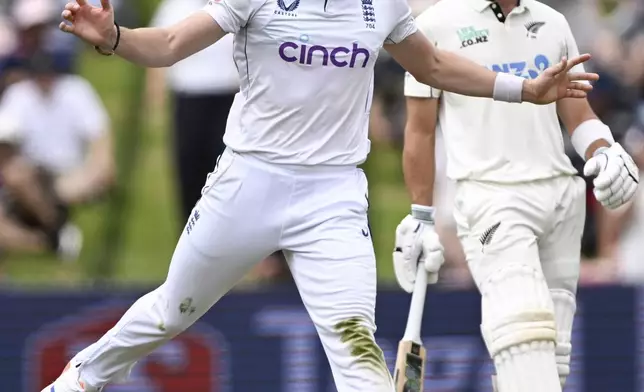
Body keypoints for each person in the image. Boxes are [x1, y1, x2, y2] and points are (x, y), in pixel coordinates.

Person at [44, 0, 596, 390]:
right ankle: (82, 377)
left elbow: (431, 65)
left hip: (332, 195)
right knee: (172, 311)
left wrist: (522, 89)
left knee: (355, 342)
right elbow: (168, 45)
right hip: (248, 181)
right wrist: (114, 38)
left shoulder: (380, 6)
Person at [394, 0, 639, 391]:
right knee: (522, 339)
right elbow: (420, 130)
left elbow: (578, 114)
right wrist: (421, 215)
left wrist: (604, 150)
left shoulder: (553, 22)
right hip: (491, 198)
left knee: (550, 364)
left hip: (561, 200)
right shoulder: (436, 24)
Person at [0, 49, 114, 260]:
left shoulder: (76, 91)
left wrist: (102, 170)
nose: (45, 80)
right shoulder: (19, 95)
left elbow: (100, 136)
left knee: (24, 179)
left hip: (69, 172)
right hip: (34, 174)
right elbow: (6, 140)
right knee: (17, 177)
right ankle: (53, 236)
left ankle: (53, 234)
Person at [147, 0, 239, 224]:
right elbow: (159, 48)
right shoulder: (174, 7)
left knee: (228, 171)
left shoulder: (237, 4)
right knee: (190, 168)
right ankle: (191, 227)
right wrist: (155, 101)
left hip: (229, 98)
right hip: (189, 99)